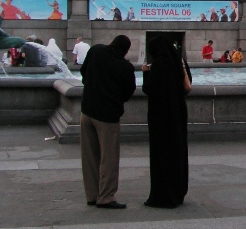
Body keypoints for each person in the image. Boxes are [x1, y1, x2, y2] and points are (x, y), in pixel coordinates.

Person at [80, 35, 137, 208]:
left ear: (111, 42)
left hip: (86, 111)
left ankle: (92, 195)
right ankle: (106, 197)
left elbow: (83, 73)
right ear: (125, 50)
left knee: (89, 156)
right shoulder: (125, 67)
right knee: (109, 158)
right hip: (107, 117)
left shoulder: (95, 51)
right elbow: (128, 92)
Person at [141, 34, 192, 208]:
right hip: (178, 114)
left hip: (160, 117)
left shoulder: (158, 66)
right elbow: (187, 86)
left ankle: (162, 195)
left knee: (161, 155)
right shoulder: (179, 63)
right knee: (177, 151)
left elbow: (148, 89)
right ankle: (178, 191)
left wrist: (145, 74)